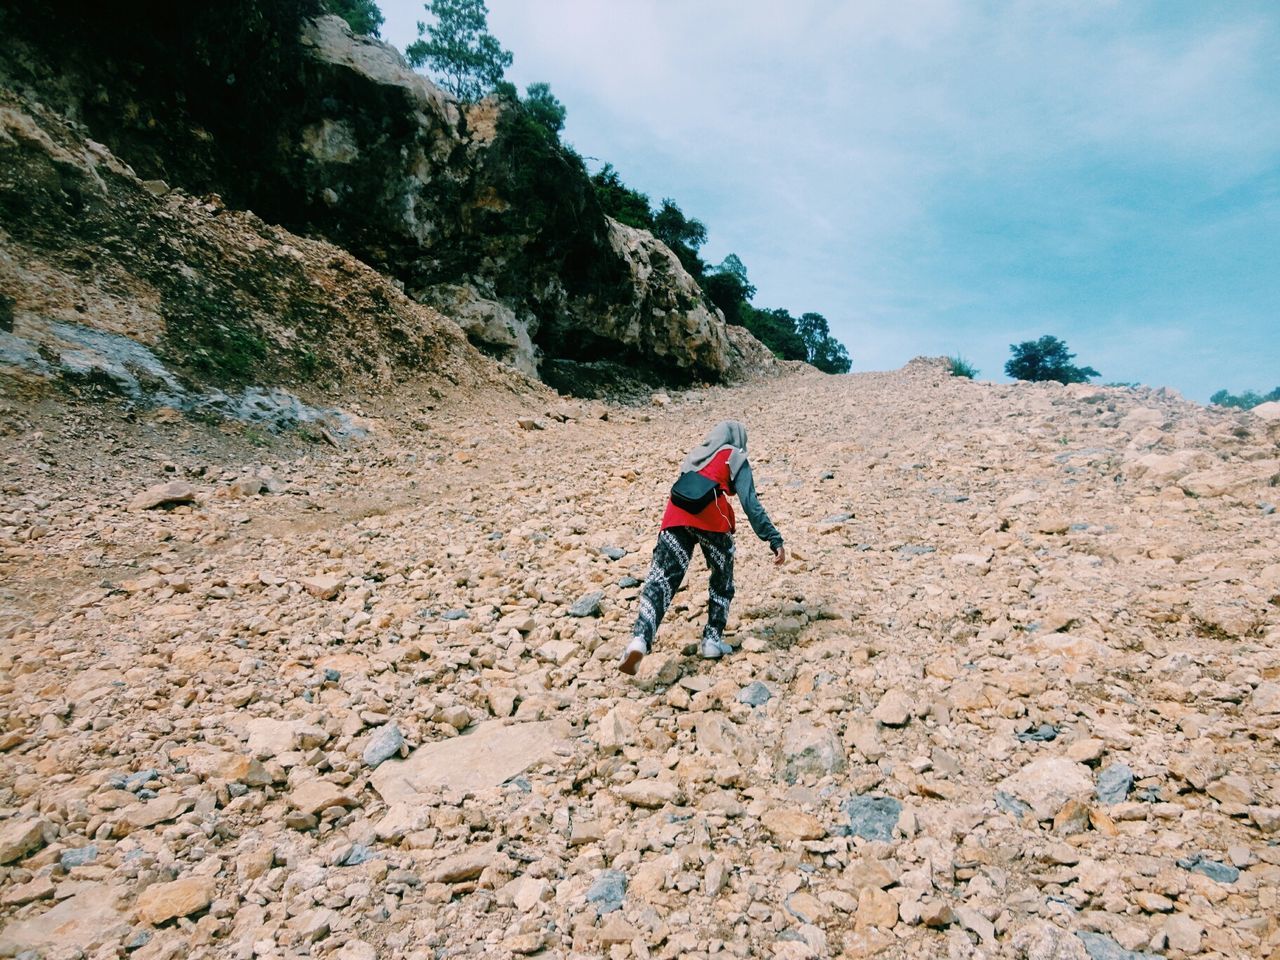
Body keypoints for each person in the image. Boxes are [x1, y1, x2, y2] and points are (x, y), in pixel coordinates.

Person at [619, 420, 785, 675]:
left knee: (661, 579)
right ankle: (711, 640)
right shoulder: (734, 455)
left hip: (675, 515)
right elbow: (750, 503)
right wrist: (773, 538)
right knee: (722, 578)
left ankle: (639, 640)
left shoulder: (696, 455)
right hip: (711, 518)